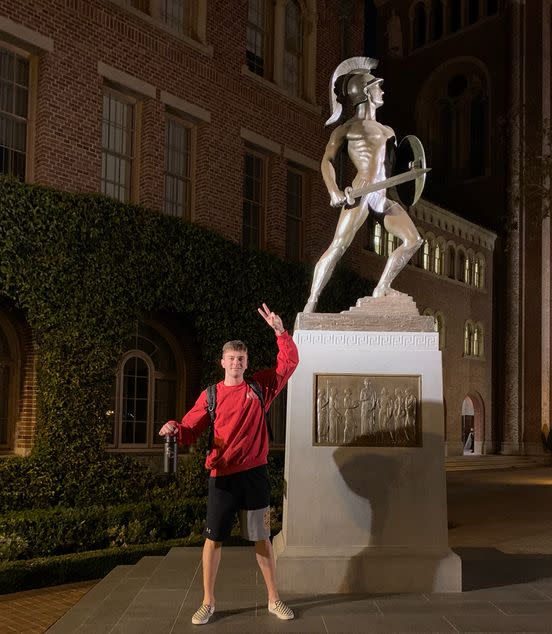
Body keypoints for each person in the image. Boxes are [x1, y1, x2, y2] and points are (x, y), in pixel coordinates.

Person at [159, 303, 299, 625]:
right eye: (231, 359)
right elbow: (190, 428)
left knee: (262, 539)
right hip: (221, 477)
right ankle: (207, 602)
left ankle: (274, 600)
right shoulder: (210, 395)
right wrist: (173, 428)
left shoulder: (259, 388)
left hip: (254, 475)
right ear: (222, 362)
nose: (236, 363)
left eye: (241, 359)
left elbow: (288, 363)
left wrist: (280, 331)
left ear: (247, 363)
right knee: (213, 540)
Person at [303, 57, 422, 313]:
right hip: (361, 192)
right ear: (367, 92)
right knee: (339, 245)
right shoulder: (347, 129)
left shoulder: (388, 131)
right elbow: (327, 161)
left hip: (383, 194)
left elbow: (394, 166)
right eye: (378, 87)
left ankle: (383, 287)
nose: (382, 91)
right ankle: (311, 303)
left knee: (413, 239)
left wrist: (413, 172)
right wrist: (334, 190)